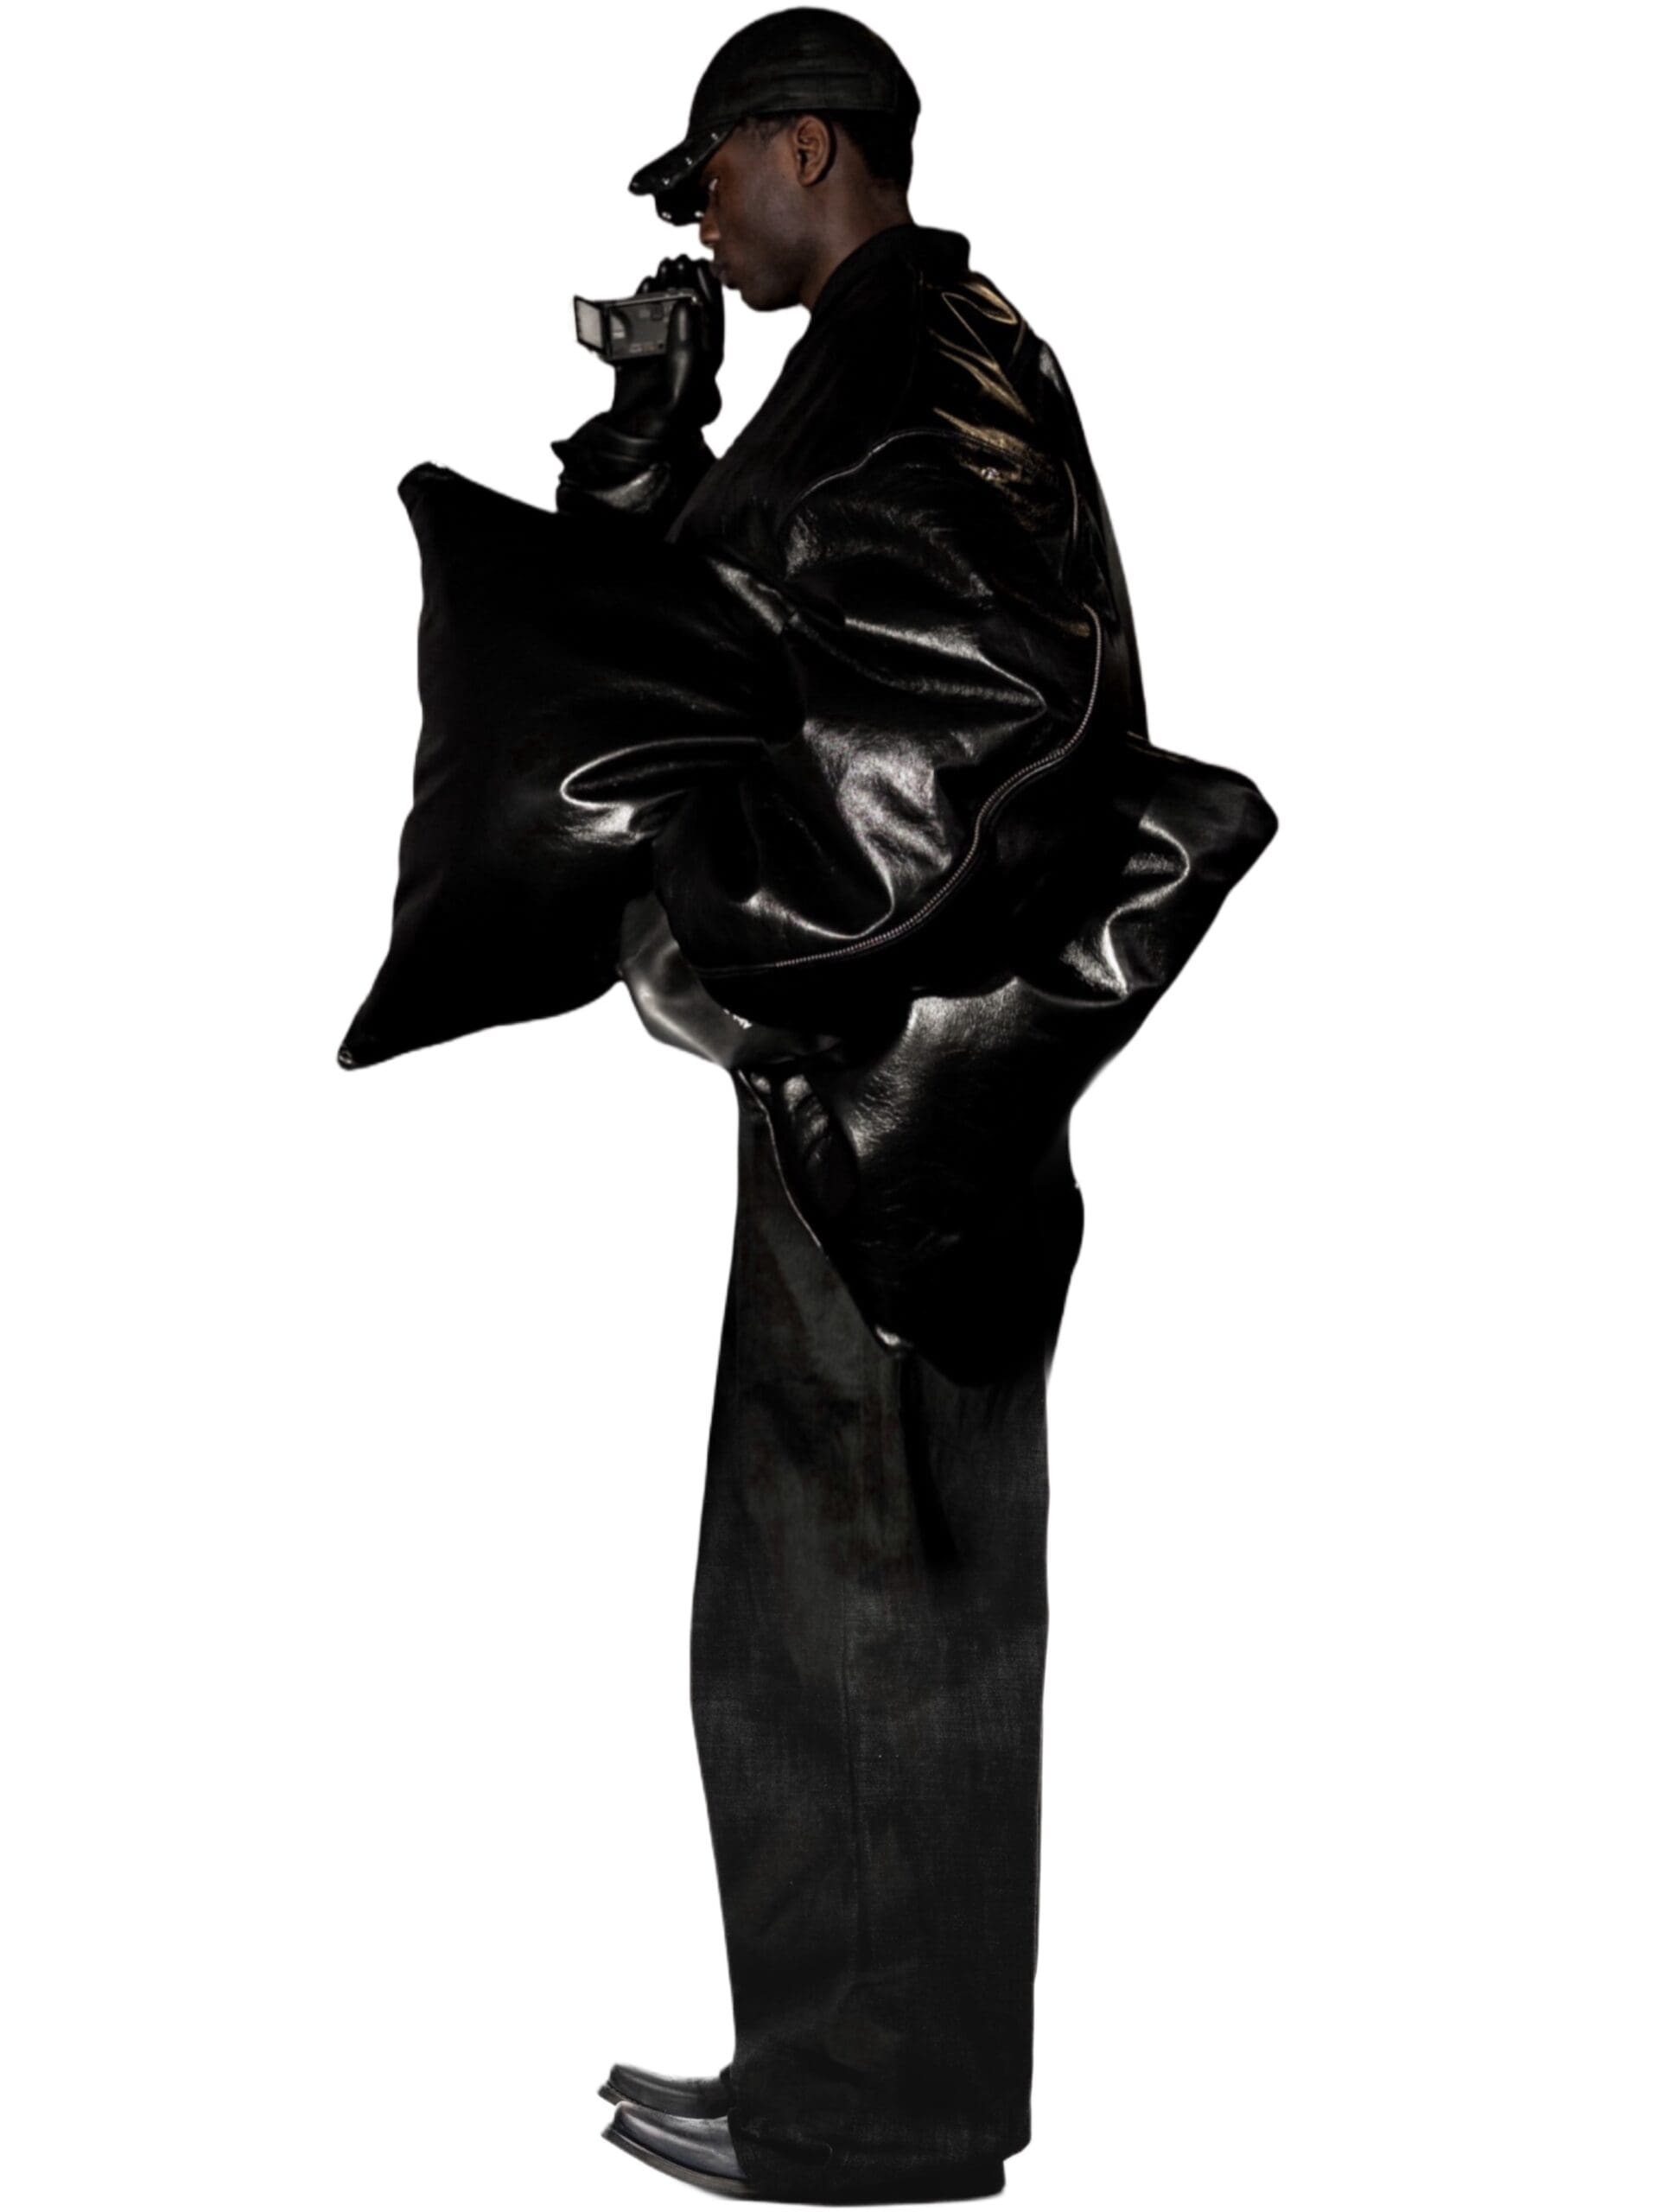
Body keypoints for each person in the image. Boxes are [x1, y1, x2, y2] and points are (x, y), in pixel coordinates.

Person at [548, 10, 1156, 2202]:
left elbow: (994, 706)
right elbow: (708, 641)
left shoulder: (931, 362)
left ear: (809, 144)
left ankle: (870, 2111)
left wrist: (737, 926)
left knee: (871, 1603)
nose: (699, 213)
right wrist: (657, 427)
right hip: (870, 1083)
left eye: (711, 170)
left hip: (895, 1092)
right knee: (831, 1606)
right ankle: (846, 2074)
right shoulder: (869, 364)